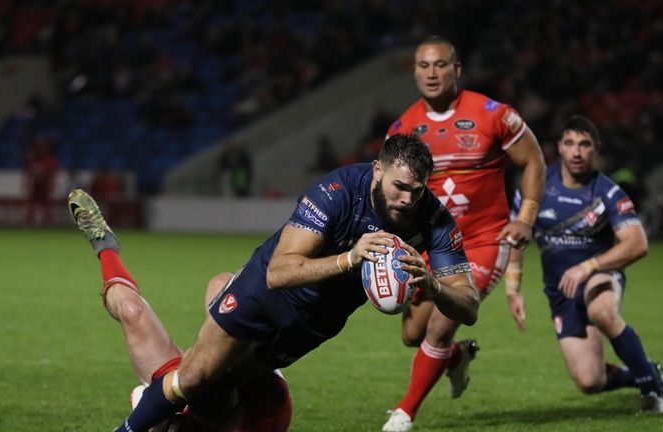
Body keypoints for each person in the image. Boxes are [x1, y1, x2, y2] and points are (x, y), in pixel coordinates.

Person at [71, 133, 480, 432]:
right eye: (400, 187)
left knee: (212, 378)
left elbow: (469, 305)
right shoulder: (337, 191)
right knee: (196, 379)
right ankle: (137, 415)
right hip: (265, 294)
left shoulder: (432, 220)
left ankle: (157, 399)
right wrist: (350, 257)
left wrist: (432, 284)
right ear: (377, 172)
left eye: (417, 190)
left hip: (313, 323)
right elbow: (278, 272)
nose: (408, 199)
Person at [382, 36, 546, 431]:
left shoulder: (494, 115)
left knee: (441, 324)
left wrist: (525, 217)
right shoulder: (402, 129)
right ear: (415, 72)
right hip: (432, 244)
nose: (431, 73)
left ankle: (404, 413)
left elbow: (534, 161)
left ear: (456, 70)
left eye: (440, 65)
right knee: (412, 334)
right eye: (423, 66)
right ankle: (456, 358)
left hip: (485, 241)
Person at [69, 189, 292, 432]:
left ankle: (105, 246)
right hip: (239, 391)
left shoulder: (173, 408)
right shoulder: (266, 412)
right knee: (220, 285)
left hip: (194, 395)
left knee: (131, 309)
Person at [505, 115, 663, 413]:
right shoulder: (535, 187)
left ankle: (653, 394)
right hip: (560, 293)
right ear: (559, 147)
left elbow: (637, 244)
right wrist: (513, 290)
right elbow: (517, 236)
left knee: (602, 311)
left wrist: (589, 267)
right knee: (590, 381)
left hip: (599, 277)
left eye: (585, 145)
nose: (577, 152)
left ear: (596, 149)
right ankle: (647, 372)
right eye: (570, 144)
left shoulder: (607, 192)